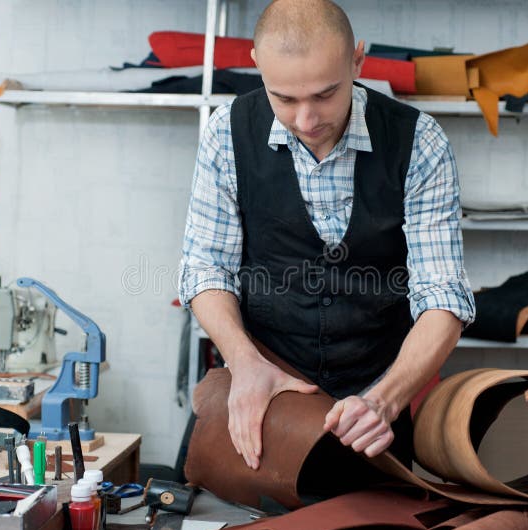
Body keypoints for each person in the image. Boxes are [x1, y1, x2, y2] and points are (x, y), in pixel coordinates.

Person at [178, 0, 475, 471]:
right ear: (256, 65)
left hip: (376, 409)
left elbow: (443, 297)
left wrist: (383, 400)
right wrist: (245, 362)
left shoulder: (420, 143)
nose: (306, 120)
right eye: (285, 98)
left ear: (357, 60)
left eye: (325, 95)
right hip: (264, 401)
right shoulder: (225, 135)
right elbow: (205, 268)